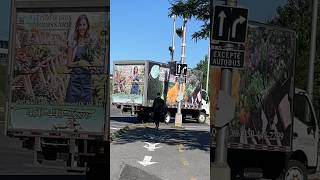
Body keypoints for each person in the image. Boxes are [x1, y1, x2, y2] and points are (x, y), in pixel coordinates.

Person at [65, 15, 97, 104]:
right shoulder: (73, 41)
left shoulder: (90, 42)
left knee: (87, 107)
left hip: (86, 82)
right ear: (77, 27)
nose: (82, 27)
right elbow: (68, 64)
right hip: (74, 82)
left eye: (84, 25)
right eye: (80, 25)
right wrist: (80, 63)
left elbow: (93, 62)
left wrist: (92, 66)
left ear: (87, 26)